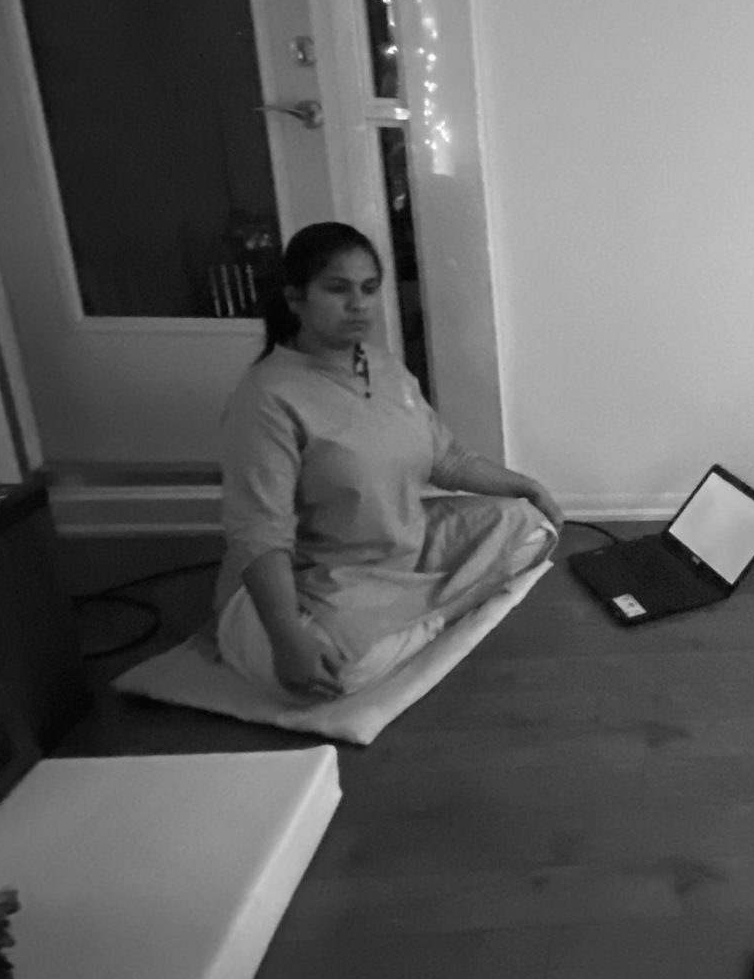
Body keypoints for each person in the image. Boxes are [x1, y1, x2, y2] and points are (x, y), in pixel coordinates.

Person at [212, 222, 564, 703]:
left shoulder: (384, 366)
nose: (358, 305)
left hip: (404, 551)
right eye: (337, 289)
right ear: (295, 298)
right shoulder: (267, 398)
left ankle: (426, 618)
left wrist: (527, 486)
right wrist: (287, 639)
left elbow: (447, 458)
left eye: (369, 289)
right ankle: (446, 613)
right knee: (342, 671)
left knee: (531, 526)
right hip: (324, 582)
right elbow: (259, 533)